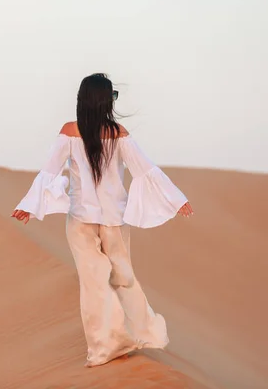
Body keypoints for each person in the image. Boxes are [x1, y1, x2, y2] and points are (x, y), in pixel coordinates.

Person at [10, 73, 193, 367]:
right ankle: (106, 345)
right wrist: (29, 205)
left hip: (102, 222)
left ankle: (129, 337)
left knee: (115, 280)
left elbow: (145, 170)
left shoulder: (99, 133)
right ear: (104, 101)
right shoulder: (94, 132)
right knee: (104, 281)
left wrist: (176, 198)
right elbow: (50, 171)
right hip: (90, 222)